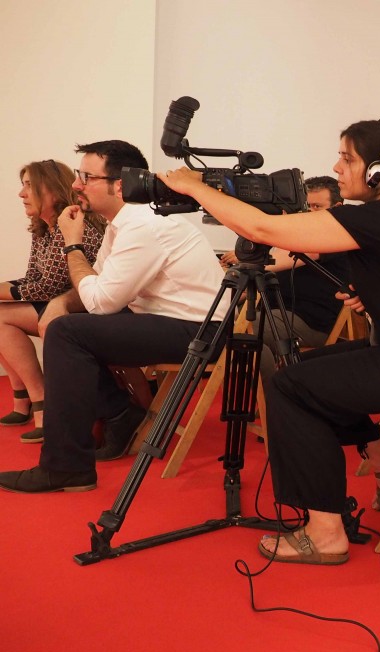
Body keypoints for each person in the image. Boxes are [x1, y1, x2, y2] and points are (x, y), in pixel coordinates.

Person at [157, 118, 380, 565]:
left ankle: (325, 532)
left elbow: (265, 231)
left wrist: (197, 188)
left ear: (379, 171)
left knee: (292, 390)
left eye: (347, 158)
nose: (337, 167)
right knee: (302, 374)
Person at [0, 140, 230, 492]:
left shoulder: (143, 226)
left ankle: (68, 464)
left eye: (86, 177)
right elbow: (96, 286)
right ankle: (116, 416)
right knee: (66, 326)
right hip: (169, 320)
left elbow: (100, 301)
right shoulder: (122, 224)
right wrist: (62, 302)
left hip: (200, 331)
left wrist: (72, 244)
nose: (76, 184)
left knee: (67, 333)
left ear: (119, 184)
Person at [0, 160, 104, 445]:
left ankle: (41, 403)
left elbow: (50, 286)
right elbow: (33, 278)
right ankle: (22, 398)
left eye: (29, 185)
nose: (21, 194)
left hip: (82, 307)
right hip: (57, 303)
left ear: (54, 191)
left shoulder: (70, 224)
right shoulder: (44, 227)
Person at [221, 175, 351, 379]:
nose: (310, 212)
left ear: (337, 207)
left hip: (309, 322)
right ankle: (271, 394)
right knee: (224, 321)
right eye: (307, 206)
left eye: (317, 206)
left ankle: (272, 396)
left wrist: (245, 259)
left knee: (243, 331)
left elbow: (276, 261)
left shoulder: (335, 237)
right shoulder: (298, 235)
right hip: (275, 311)